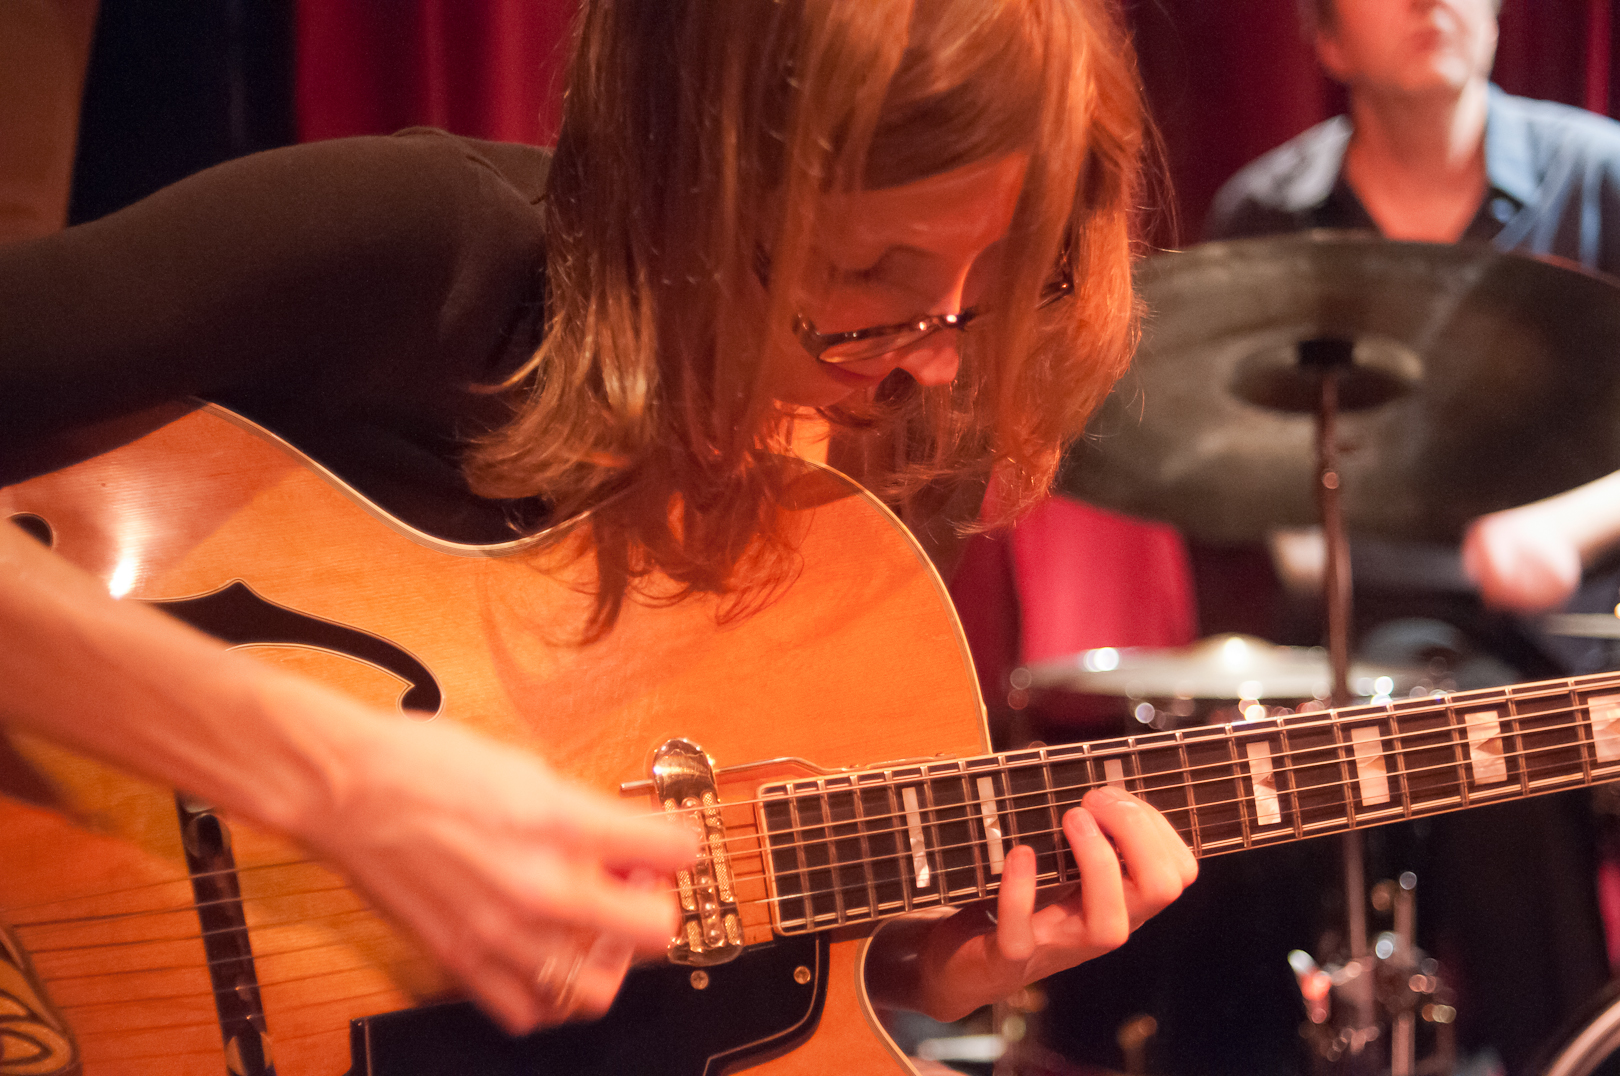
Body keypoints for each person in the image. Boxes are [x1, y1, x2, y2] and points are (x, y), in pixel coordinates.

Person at [0, 0, 1197, 1051]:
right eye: (871, 272)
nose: (935, 360)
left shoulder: (892, 416)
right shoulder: (423, 249)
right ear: (697, 185)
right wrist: (339, 779)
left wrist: (920, 965)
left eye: (1000, 277)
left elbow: (674, 965)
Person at [1201, 0, 1620, 1069]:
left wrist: (1570, 525)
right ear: (1330, 43)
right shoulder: (1268, 211)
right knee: (1475, 742)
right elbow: (1235, 464)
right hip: (1386, 619)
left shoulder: (1600, 172)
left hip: (1589, 610)